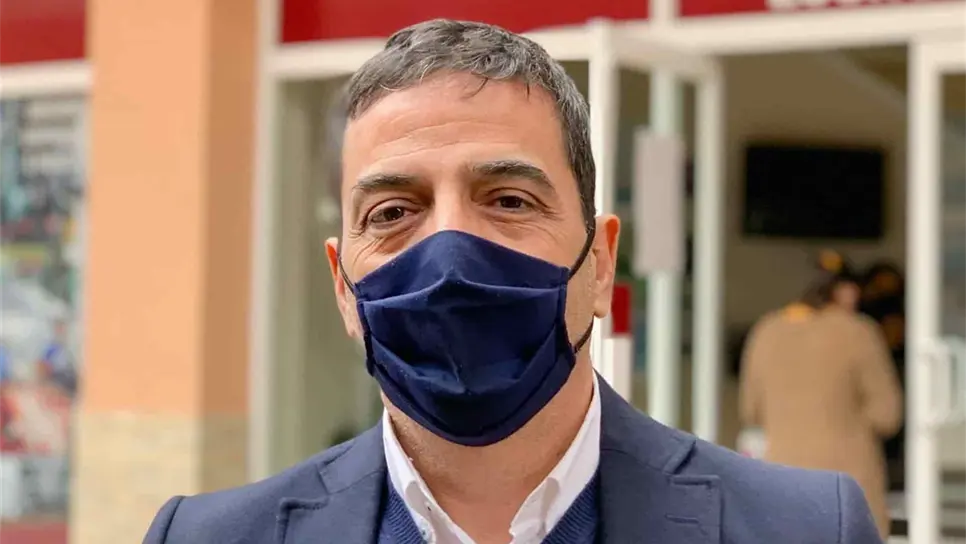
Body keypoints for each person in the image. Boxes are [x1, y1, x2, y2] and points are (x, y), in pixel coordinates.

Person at [145, 20, 881, 544]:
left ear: (600, 264)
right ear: (342, 286)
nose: (451, 256)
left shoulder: (807, 529)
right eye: (393, 211)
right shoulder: (205, 537)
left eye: (508, 200)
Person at [739, 250, 903, 539]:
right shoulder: (858, 331)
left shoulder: (766, 331)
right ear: (843, 291)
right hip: (849, 482)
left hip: (783, 478)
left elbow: (750, 410)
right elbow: (888, 414)